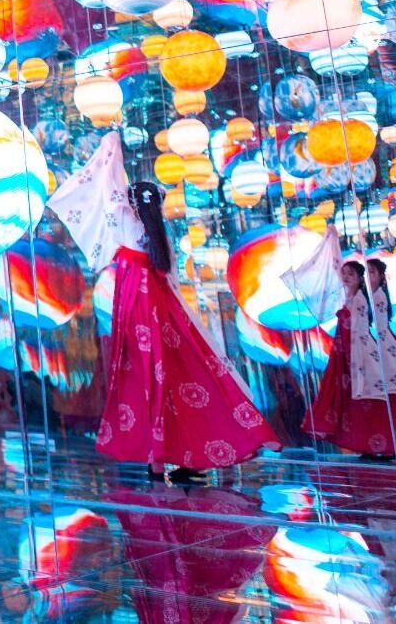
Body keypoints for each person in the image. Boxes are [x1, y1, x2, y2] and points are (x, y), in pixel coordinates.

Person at [47, 134, 278, 481]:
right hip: (157, 307)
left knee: (143, 379)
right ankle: (179, 455)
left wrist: (112, 146)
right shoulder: (154, 233)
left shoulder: (127, 224)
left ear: (132, 204)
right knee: (172, 376)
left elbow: (106, 188)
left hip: (137, 307)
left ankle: (157, 458)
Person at [303, 259, 396, 460]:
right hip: (352, 354)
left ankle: (383, 445)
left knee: (377, 401)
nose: (346, 278)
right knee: (364, 402)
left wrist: (369, 356)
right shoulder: (356, 297)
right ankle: (372, 444)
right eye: (344, 273)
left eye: (352, 274)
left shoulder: (370, 298)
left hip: (365, 353)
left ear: (379, 276)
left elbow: (369, 330)